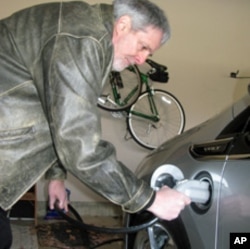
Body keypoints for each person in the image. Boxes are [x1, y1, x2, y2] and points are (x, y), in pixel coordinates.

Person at [0, 0, 191, 248]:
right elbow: (80, 142)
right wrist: (149, 200)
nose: (141, 59)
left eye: (149, 54)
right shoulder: (82, 39)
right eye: (143, 46)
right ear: (123, 25)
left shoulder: (86, 32)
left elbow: (56, 111)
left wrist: (56, 176)